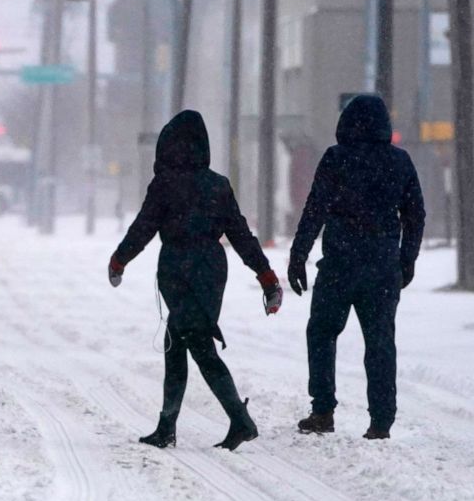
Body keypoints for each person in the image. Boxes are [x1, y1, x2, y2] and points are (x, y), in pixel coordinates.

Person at [108, 110, 283, 452]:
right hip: (210, 270)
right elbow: (241, 234)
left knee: (199, 346)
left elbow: (143, 228)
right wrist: (265, 276)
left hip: (176, 267)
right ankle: (167, 425)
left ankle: (240, 421)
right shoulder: (218, 185)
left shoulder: (164, 185)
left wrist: (120, 259)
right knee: (177, 344)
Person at [288, 95, 425, 440]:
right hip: (382, 268)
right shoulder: (400, 161)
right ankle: (381, 421)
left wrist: (298, 255)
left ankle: (323, 411)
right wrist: (406, 259)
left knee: (321, 333)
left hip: (339, 265)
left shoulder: (336, 159)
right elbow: (415, 215)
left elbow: (314, 209)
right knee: (380, 344)